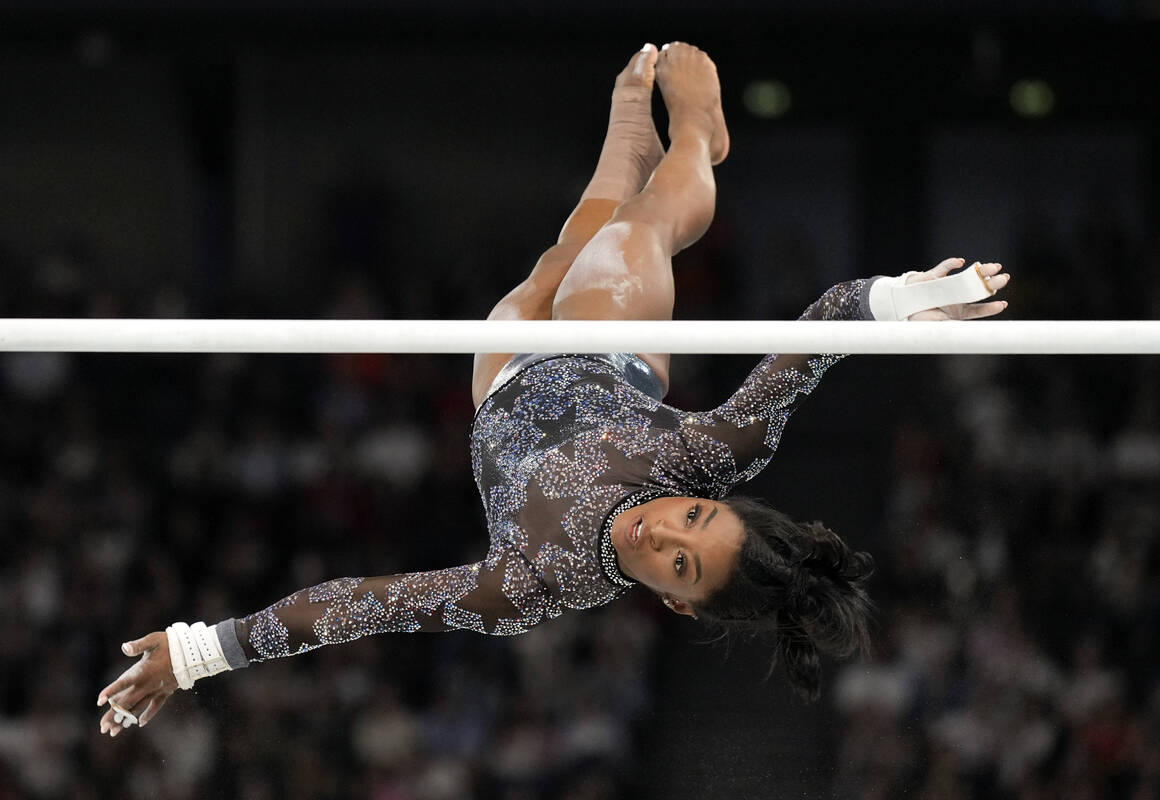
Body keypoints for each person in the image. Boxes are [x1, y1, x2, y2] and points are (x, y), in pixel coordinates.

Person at [98, 41, 1009, 736]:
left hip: (501, 381)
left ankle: (625, 143)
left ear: (674, 600)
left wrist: (198, 652)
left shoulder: (535, 586)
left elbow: (360, 605)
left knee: (558, 259)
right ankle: (698, 134)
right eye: (694, 518)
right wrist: (901, 298)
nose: (665, 530)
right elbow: (818, 331)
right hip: (614, 349)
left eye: (678, 561)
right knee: (628, 243)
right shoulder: (711, 452)